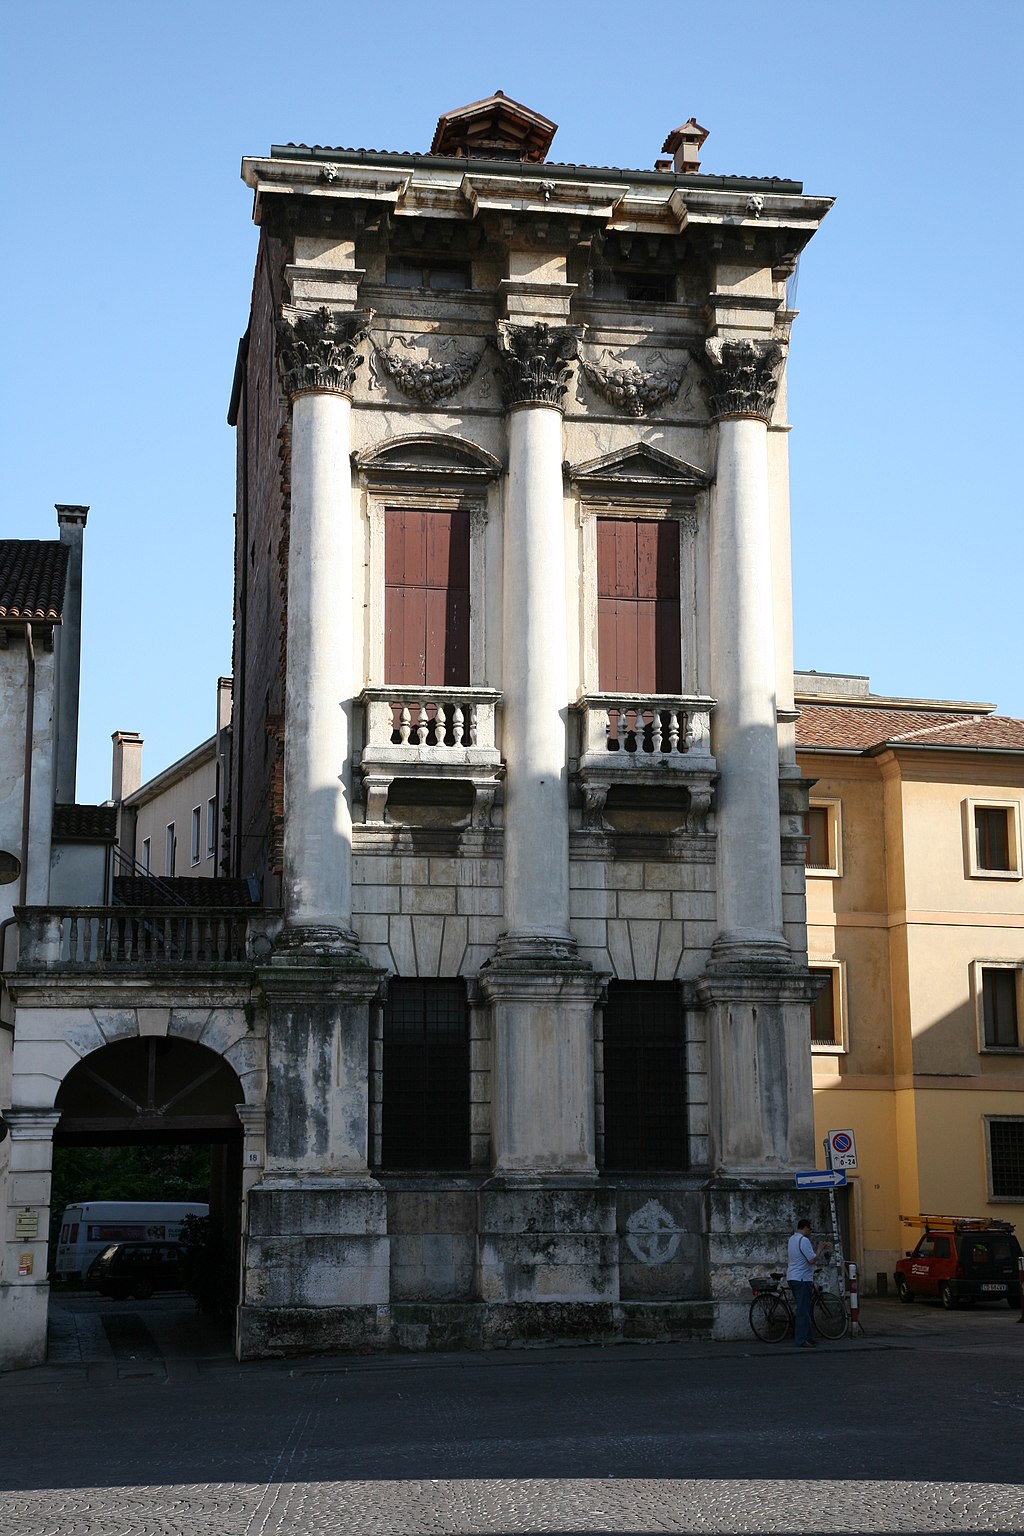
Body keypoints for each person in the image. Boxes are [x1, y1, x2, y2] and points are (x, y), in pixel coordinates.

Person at [787, 1218, 822, 1347]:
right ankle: (801, 1340)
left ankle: (809, 1336)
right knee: (802, 1311)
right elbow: (812, 1260)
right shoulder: (804, 1240)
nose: (811, 1231)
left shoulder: (792, 1239)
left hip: (793, 1277)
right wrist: (820, 1248)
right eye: (810, 1229)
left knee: (805, 1309)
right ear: (805, 1228)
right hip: (802, 1279)